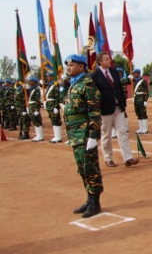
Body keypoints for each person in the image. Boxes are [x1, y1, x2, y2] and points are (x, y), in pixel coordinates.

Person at [63, 53, 103, 218]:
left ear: (81, 66)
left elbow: (94, 111)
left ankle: (95, 201)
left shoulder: (87, 84)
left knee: (90, 167)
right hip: (74, 132)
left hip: (85, 131)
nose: (68, 68)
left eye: (71, 65)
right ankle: (89, 197)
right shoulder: (73, 84)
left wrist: (93, 135)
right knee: (82, 168)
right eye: (68, 65)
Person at [90, 51, 138, 168]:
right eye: (106, 59)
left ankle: (128, 158)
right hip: (105, 109)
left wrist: (123, 103)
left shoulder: (114, 72)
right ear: (100, 62)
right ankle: (108, 158)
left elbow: (119, 89)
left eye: (109, 59)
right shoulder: (95, 76)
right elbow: (94, 94)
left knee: (122, 132)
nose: (109, 61)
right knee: (106, 134)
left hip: (118, 108)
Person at [44, 72, 63, 143]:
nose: (47, 78)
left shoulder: (55, 85)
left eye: (49, 76)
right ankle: (56, 136)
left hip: (53, 105)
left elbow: (57, 96)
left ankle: (58, 137)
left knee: (56, 120)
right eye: (47, 76)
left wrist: (56, 106)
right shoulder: (49, 85)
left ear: (52, 77)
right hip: (49, 105)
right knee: (53, 120)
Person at [131, 68, 149, 134]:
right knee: (138, 113)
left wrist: (145, 100)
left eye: (134, 73)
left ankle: (145, 129)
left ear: (138, 73)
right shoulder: (134, 81)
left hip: (141, 98)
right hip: (136, 98)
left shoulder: (143, 81)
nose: (134, 75)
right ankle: (141, 128)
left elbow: (146, 91)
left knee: (143, 113)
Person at [27, 76, 44, 142]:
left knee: (37, 121)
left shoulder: (36, 89)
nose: (30, 82)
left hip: (34, 106)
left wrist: (37, 110)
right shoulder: (31, 89)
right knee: (34, 121)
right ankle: (38, 135)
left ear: (34, 82)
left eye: (31, 81)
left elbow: (37, 100)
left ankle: (40, 136)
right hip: (31, 106)